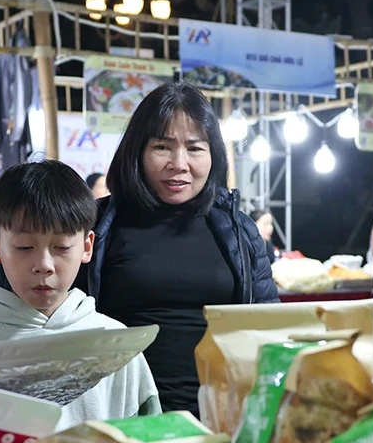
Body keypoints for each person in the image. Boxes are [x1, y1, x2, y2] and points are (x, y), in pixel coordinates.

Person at [77, 81, 280, 417]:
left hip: (221, 420)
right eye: (162, 147)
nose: (179, 163)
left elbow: (269, 329)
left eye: (195, 148)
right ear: (137, 151)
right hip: (125, 418)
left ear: (213, 155)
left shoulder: (240, 230)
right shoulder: (98, 224)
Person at [0, 161, 160, 428]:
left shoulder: (116, 343)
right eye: (24, 247)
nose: (44, 264)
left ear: (86, 246)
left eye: (62, 246)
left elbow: (146, 442)